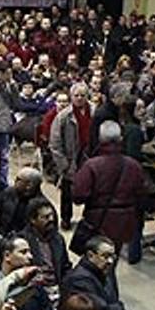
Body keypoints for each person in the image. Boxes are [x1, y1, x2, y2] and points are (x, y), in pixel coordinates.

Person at [72, 120, 153, 254]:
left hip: (98, 221)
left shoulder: (91, 166)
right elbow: (143, 193)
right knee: (113, 257)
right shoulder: (133, 165)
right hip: (125, 222)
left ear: (100, 139)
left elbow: (78, 196)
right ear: (121, 139)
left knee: (98, 259)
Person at [50, 82, 93, 230]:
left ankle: (89, 218)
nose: (79, 98)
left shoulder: (95, 112)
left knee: (91, 190)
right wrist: (63, 165)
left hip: (89, 157)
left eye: (82, 95)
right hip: (71, 159)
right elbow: (55, 143)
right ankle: (66, 218)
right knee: (67, 192)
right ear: (71, 97)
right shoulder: (63, 116)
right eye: (76, 95)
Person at [61, 236, 126, 310]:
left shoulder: (106, 271)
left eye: (112, 256)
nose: (110, 261)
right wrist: (119, 308)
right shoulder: (79, 280)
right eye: (105, 256)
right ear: (90, 255)